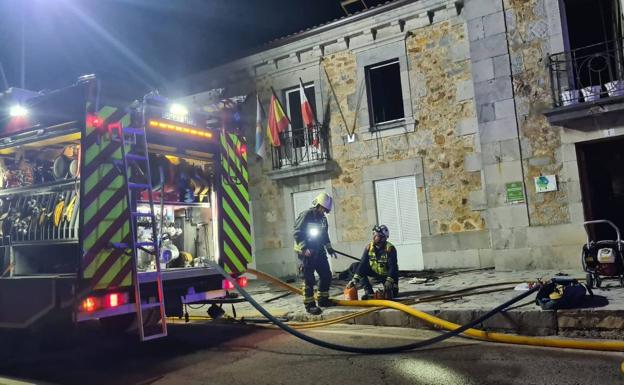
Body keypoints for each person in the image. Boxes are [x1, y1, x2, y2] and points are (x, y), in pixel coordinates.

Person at [293, 192, 336, 315]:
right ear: (318, 205)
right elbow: (297, 232)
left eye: (326, 210)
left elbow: (324, 235)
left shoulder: (323, 219)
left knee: (326, 274)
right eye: (323, 209)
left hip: (318, 251)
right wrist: (304, 248)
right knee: (309, 279)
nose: (324, 212)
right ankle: (310, 305)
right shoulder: (306, 215)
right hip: (305, 253)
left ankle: (323, 299)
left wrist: (329, 249)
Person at [347, 225, 399, 300]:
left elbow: (393, 267)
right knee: (356, 265)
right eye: (374, 234)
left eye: (377, 235)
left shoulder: (390, 248)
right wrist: (354, 280)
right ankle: (369, 292)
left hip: (387, 275)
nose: (375, 237)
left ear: (383, 238)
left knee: (391, 294)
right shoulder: (369, 247)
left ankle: (390, 288)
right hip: (374, 272)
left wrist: (389, 281)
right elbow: (362, 264)